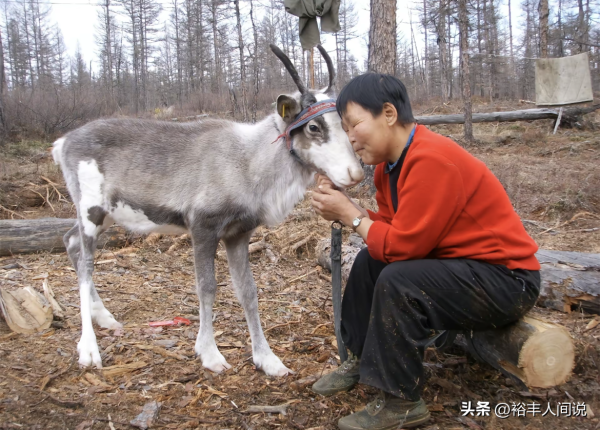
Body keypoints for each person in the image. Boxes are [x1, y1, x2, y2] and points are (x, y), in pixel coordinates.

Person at [310, 73, 541, 430]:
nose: (350, 137)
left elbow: (404, 247)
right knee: (371, 261)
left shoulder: (432, 158)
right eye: (345, 129)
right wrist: (345, 206)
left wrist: (350, 214)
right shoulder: (390, 168)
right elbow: (389, 231)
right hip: (464, 269)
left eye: (355, 124)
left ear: (388, 113)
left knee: (398, 278)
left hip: (506, 281)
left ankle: (401, 402)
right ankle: (359, 358)